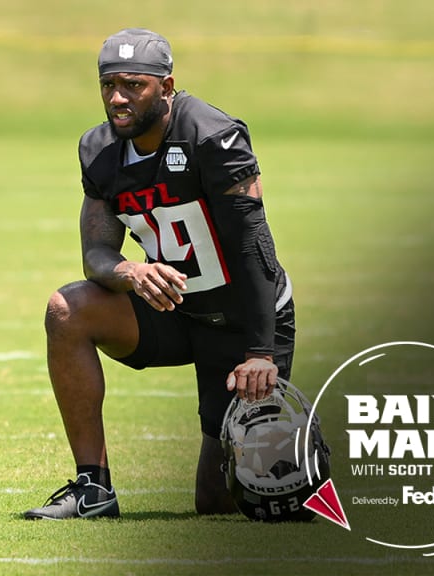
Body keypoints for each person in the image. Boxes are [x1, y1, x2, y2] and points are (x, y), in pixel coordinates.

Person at [23, 28, 295, 520]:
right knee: (68, 309)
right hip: (173, 312)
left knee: (221, 501)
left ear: (167, 87)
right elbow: (96, 255)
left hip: (242, 320)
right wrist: (128, 269)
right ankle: (93, 489)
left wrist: (261, 352)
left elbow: (256, 247)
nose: (117, 98)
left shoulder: (212, 136)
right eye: (108, 85)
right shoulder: (99, 149)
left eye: (133, 85)